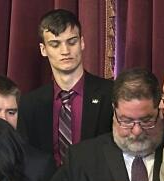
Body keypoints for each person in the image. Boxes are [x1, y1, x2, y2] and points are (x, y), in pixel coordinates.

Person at [17, 9, 113, 166]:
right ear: (43, 49)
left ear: (82, 42)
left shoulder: (110, 93)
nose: (65, 51)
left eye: (72, 42)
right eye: (55, 44)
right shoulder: (29, 104)